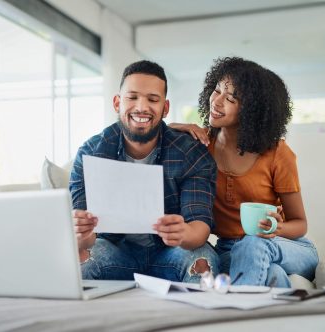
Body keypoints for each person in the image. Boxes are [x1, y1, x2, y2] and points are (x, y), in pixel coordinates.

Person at [170, 57, 318, 288]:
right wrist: (174, 128)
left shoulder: (277, 153)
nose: (217, 101)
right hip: (230, 250)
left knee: (253, 243)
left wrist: (276, 228)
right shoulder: (200, 146)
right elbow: (152, 138)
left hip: (286, 245)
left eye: (230, 98)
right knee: (273, 275)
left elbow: (300, 224)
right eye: (216, 90)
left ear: (253, 110)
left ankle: (237, 315)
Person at [70, 60, 219, 283]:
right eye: (132, 97)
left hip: (171, 252)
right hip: (115, 251)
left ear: (165, 108)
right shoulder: (90, 153)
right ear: (117, 102)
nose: (141, 107)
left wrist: (183, 233)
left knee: (203, 261)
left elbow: (199, 227)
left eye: (152, 99)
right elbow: (86, 241)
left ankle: (193, 318)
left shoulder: (190, 153)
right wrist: (81, 233)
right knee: (78, 263)